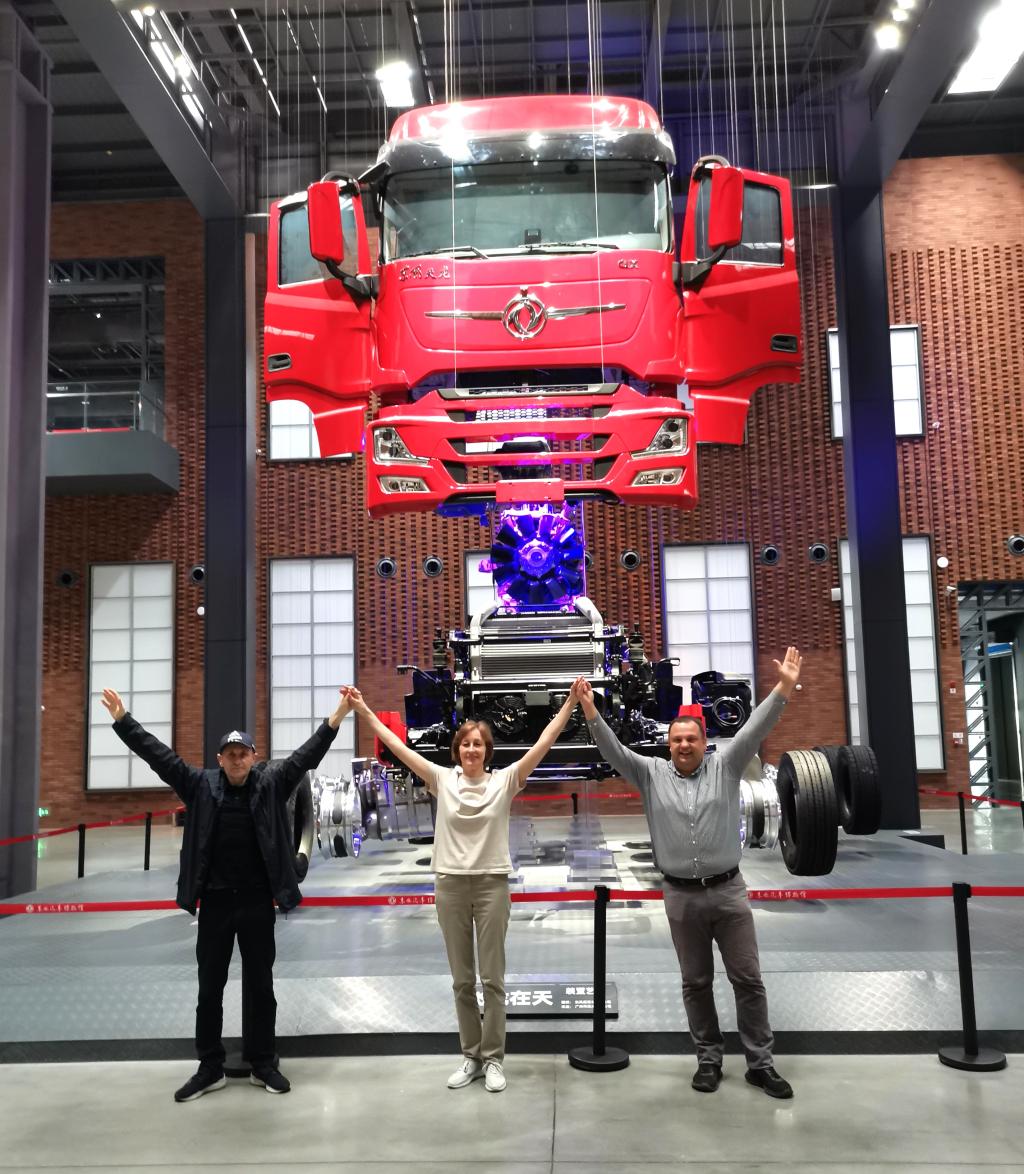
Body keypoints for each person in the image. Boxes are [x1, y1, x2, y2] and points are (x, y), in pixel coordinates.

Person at [101, 686, 352, 1103]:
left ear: (254, 756)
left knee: (261, 986)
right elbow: (158, 756)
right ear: (220, 759)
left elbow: (307, 755)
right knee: (209, 988)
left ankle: (263, 1062)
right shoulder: (199, 785)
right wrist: (123, 721)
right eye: (230, 753)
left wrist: (338, 716)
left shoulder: (272, 784)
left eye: (243, 753)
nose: (237, 759)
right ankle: (209, 1067)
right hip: (216, 904)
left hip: (257, 902)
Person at [573, 647, 803, 1100]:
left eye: (691, 739)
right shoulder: (650, 774)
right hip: (681, 898)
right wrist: (590, 711)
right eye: (676, 739)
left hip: (728, 893)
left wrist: (783, 688)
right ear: (668, 744)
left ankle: (761, 1064)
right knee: (696, 983)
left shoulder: (727, 766)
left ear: (704, 742)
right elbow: (613, 751)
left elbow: (756, 729)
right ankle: (709, 1059)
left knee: (747, 980)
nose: (683, 745)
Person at [343, 683, 580, 1093]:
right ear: (457, 750)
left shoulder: (506, 781)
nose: (472, 750)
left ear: (487, 751)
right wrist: (363, 711)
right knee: (462, 980)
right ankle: (471, 1055)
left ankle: (494, 1059)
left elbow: (544, 742)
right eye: (466, 744)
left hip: (492, 886)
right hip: (450, 885)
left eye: (478, 744)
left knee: (493, 979)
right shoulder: (441, 779)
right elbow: (397, 747)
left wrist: (572, 703)